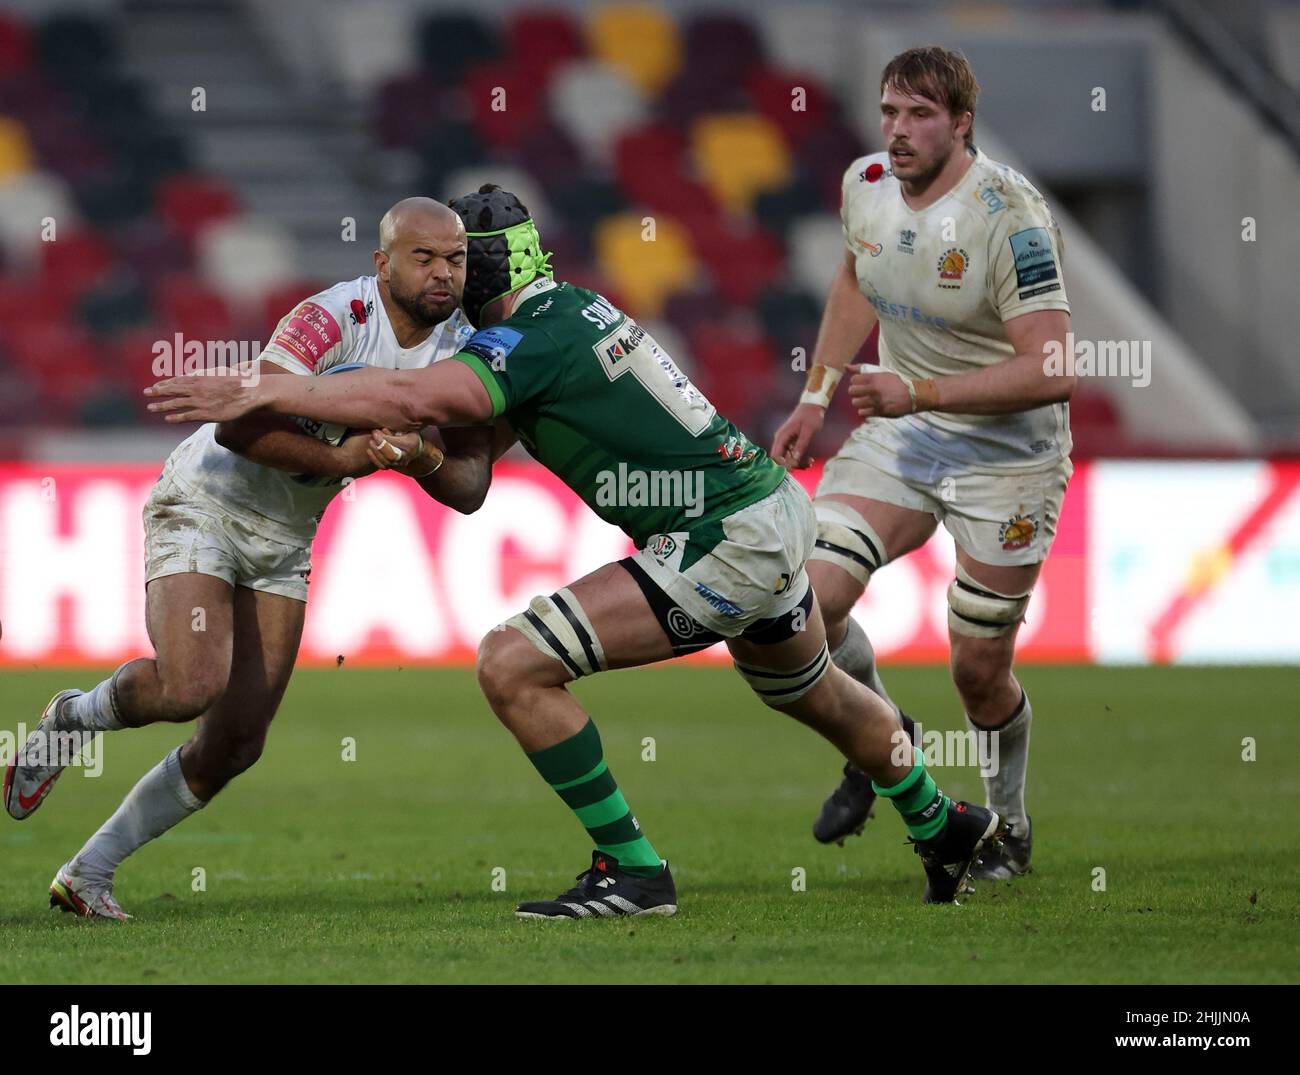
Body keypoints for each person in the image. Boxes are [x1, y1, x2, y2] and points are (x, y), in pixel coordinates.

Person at [146, 184, 1006, 916]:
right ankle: (942, 823)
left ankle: (632, 867)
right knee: (813, 690)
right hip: (764, 510)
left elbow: (412, 396)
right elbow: (471, 474)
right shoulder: (563, 313)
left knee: (510, 664)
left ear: (480, 269)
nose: (443, 281)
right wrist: (419, 458)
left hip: (716, 537)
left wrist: (272, 387)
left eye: (455, 263)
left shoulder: (528, 337)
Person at [5, 198, 490, 919]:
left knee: (235, 743)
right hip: (205, 502)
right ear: (383, 263)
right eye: (424, 257)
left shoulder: (463, 350)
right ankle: (75, 718)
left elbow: (468, 488)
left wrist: (419, 454)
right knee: (188, 685)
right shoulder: (329, 318)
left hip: (285, 538)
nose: (443, 273)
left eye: (454, 259)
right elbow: (236, 430)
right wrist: (344, 455)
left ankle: (87, 874)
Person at [771, 46, 1076, 879]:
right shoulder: (865, 183)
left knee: (979, 671)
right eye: (890, 113)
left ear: (962, 124)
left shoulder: (1008, 215)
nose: (898, 134)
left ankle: (1006, 825)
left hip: (1006, 456)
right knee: (801, 605)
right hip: (905, 439)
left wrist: (922, 393)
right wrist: (815, 396)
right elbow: (853, 279)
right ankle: (881, 728)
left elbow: (1054, 366)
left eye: (920, 117)